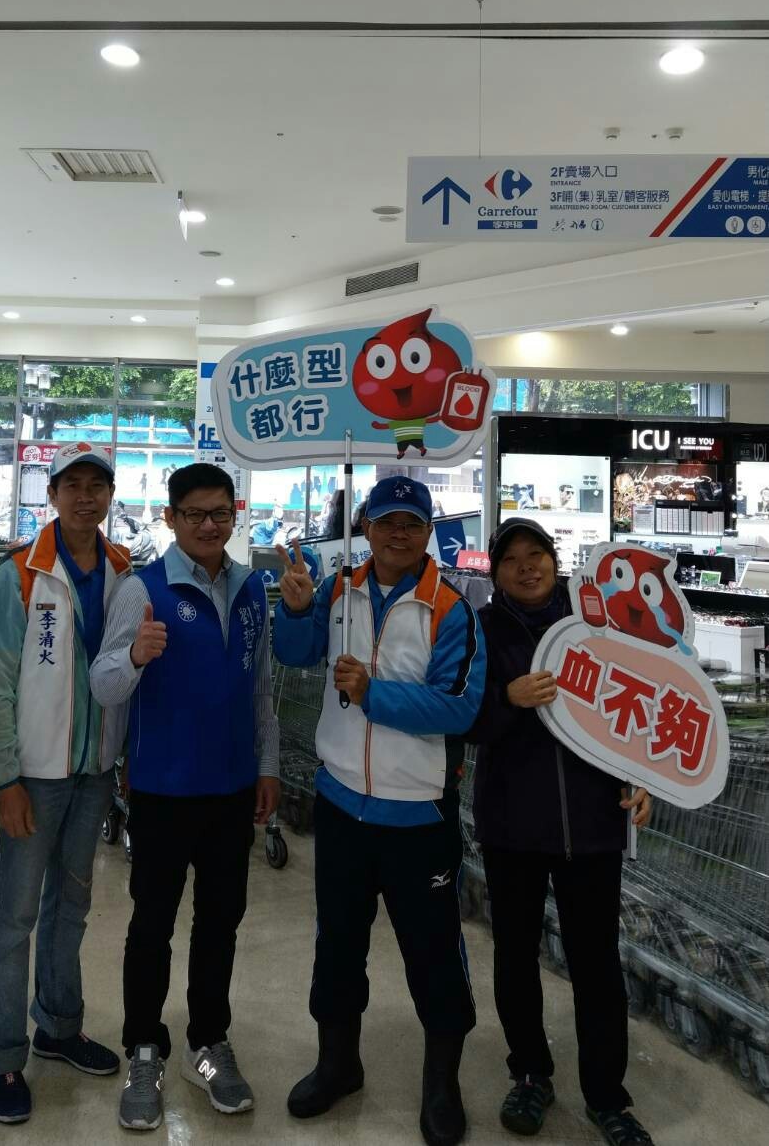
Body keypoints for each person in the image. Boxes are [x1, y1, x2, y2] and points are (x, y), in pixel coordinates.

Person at [273, 475, 485, 1146]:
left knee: (434, 955)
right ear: (365, 527)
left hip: (418, 818)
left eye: (411, 523)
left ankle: (441, 1084)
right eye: (386, 521)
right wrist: (297, 611)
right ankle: (338, 1063)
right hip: (341, 807)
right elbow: (296, 653)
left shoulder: (450, 609)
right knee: (337, 944)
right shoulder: (339, 589)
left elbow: (459, 707)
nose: (398, 533)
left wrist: (375, 693)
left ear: (428, 532)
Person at [90, 462, 280, 1131]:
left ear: (235, 515)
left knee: (220, 921)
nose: (208, 525)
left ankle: (209, 1042)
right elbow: (103, 684)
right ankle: (144, 1049)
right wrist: (135, 656)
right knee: (152, 925)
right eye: (194, 514)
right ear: (170, 518)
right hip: (163, 789)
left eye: (219, 513)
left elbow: (261, 687)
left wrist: (267, 764)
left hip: (231, 790)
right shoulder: (141, 589)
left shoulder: (251, 587)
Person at [467, 518, 653, 1146]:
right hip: (512, 825)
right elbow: (462, 718)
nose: (527, 567)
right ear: (496, 572)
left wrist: (642, 777)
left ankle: (608, 1098)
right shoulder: (481, 629)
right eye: (512, 559)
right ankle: (529, 1074)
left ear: (555, 559)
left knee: (597, 964)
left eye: (537, 554)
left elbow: (637, 707)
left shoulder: (598, 625)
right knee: (515, 957)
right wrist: (507, 698)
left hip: (594, 825)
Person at [0, 442, 131, 1125]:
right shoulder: (18, 573)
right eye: (74, 484)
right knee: (15, 916)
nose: (86, 496)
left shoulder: (124, 570)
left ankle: (59, 1027)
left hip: (94, 771)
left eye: (98, 485)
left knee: (72, 906)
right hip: (34, 777)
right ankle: (2, 1053)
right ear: (53, 493)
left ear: (110, 496)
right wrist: (5, 775)